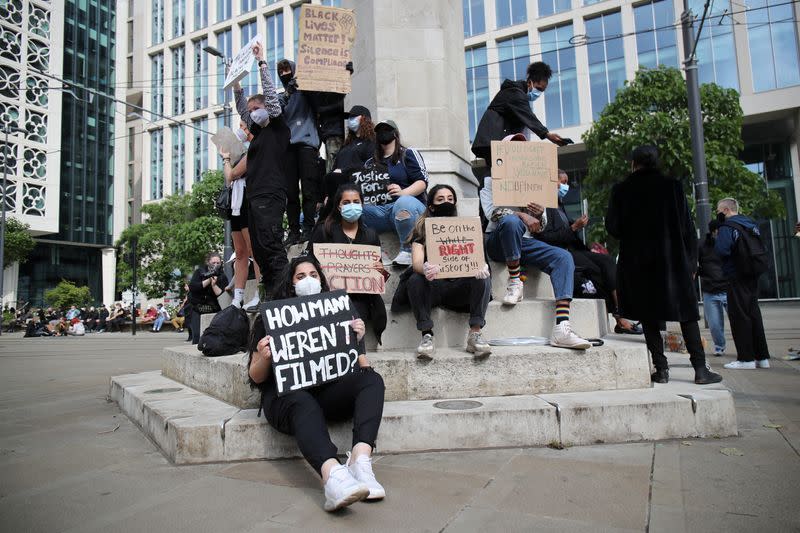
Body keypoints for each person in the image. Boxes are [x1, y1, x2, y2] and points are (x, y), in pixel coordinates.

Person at [247, 256, 386, 512]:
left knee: (372, 381)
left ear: (321, 280)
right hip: (286, 399)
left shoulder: (340, 310)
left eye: (313, 275)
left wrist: (357, 339)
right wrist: (264, 357)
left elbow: (361, 367)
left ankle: (360, 460)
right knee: (302, 401)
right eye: (300, 277)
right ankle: (333, 476)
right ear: (291, 284)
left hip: (326, 392)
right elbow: (255, 377)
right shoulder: (271, 318)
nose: (308, 281)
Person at [605, 145, 722, 385]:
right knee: (686, 313)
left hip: (638, 263)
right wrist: (691, 262)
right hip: (673, 260)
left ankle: (661, 369)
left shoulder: (621, 190)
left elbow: (613, 228)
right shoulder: (673, 186)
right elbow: (687, 228)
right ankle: (700, 369)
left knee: (648, 315)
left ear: (633, 163)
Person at [480, 135, 592, 349]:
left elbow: (540, 227)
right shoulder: (489, 182)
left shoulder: (536, 185)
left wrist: (539, 215)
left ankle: (562, 327)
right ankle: (515, 281)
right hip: (497, 241)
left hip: (524, 243)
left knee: (563, 257)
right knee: (512, 222)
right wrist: (521, 215)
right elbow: (492, 213)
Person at [390, 185, 493, 359]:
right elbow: (416, 263)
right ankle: (427, 335)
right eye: (440, 199)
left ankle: (475, 334)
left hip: (459, 287)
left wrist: (481, 268)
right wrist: (424, 268)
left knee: (483, 278)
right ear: (431, 206)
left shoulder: (468, 230)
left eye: (450, 199)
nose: (446, 202)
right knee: (415, 279)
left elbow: (479, 260)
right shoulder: (421, 231)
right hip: (433, 288)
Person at [538, 169, 641, 335]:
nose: (565, 186)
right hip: (561, 251)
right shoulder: (544, 208)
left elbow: (569, 233)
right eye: (562, 182)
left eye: (566, 182)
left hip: (575, 249)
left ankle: (621, 312)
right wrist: (573, 227)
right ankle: (619, 317)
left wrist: (577, 227)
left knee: (606, 261)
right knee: (596, 270)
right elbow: (547, 237)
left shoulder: (560, 205)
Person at [234, 43, 290, 300]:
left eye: (257, 108)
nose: (252, 114)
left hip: (270, 195)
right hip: (254, 198)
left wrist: (262, 63)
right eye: (251, 110)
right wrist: (236, 85)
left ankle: (282, 295)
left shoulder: (278, 126)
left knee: (271, 246)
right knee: (260, 250)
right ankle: (269, 294)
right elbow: (242, 112)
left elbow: (270, 95)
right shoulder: (256, 134)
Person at [307, 183, 388, 344]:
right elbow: (309, 264)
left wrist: (380, 271)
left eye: (356, 202)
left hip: (360, 298)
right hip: (329, 296)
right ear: (338, 206)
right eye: (346, 202)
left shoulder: (371, 236)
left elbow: (378, 278)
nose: (352, 206)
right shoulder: (324, 231)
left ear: (362, 205)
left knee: (355, 323)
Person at [471, 61, 568, 166]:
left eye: (542, 91)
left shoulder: (518, 94)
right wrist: (547, 134)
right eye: (538, 89)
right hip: (493, 138)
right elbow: (529, 116)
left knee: (499, 169)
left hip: (496, 138)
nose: (539, 93)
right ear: (530, 82)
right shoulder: (515, 93)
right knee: (496, 170)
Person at [362, 121, 428, 266]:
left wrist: (403, 192)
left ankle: (407, 250)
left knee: (403, 202)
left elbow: (422, 182)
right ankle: (374, 254)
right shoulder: (369, 163)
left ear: (395, 133)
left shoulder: (408, 154)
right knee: (355, 211)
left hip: (410, 207)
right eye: (380, 131)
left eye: (387, 129)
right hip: (381, 210)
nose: (383, 133)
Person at [714, 198, 770, 369]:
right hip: (752, 274)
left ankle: (746, 359)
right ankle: (762, 358)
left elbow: (721, 250)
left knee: (739, 316)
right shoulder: (750, 224)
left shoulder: (727, 227)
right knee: (754, 314)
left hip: (736, 275)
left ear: (725, 210)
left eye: (718, 210)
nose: (717, 214)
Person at [277, 58, 321, 245]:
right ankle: (294, 231)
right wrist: (288, 93)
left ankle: (309, 228)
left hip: (307, 145)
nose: (284, 74)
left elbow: (320, 102)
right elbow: (275, 112)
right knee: (291, 193)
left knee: (309, 190)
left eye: (287, 69)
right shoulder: (281, 97)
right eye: (281, 71)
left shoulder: (307, 92)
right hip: (288, 148)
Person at [219, 119, 262, 311]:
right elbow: (228, 179)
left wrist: (227, 160)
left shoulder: (255, 147)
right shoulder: (239, 151)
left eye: (244, 127)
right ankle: (238, 298)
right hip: (235, 201)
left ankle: (261, 292)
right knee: (240, 252)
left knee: (254, 250)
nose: (241, 130)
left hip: (248, 199)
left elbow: (232, 174)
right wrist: (227, 159)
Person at [318, 105, 377, 223]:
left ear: (364, 119)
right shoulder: (347, 145)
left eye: (353, 117)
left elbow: (370, 166)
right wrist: (326, 194)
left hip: (355, 184)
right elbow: (334, 168)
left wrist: (345, 171)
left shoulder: (371, 142)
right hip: (336, 187)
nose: (350, 120)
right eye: (349, 117)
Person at [698, 220, 729, 356]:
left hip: (729, 289)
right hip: (710, 291)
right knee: (715, 324)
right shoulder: (702, 245)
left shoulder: (729, 243)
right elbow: (694, 263)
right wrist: (699, 272)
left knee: (739, 322)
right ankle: (719, 345)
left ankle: (746, 347)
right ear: (714, 231)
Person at [188, 252, 229, 345]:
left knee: (213, 336)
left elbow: (222, 295)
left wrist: (214, 285)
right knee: (197, 335)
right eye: (213, 263)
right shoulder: (200, 272)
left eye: (218, 263)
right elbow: (193, 287)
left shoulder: (222, 276)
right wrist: (208, 280)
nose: (215, 265)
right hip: (198, 308)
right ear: (208, 262)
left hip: (214, 309)